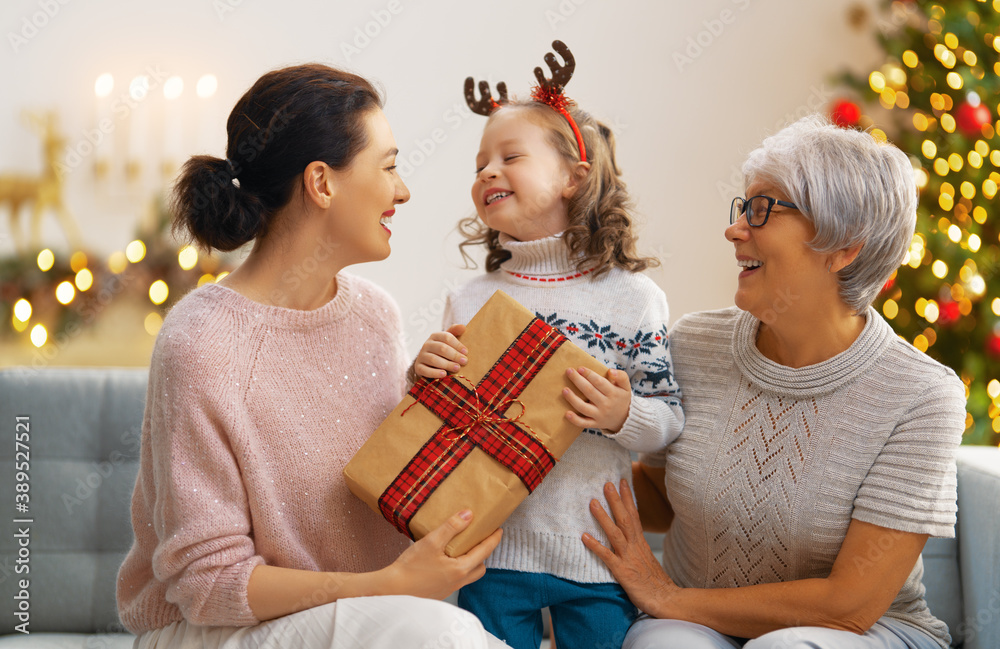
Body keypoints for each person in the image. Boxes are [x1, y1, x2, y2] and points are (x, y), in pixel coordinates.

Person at [116, 63, 505, 649]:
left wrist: (433, 403)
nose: (403, 190)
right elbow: (208, 584)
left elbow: (378, 492)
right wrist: (384, 586)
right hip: (212, 630)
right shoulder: (201, 343)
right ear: (321, 183)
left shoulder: (375, 315)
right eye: (390, 166)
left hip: (366, 616)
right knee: (443, 638)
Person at [584, 115, 967, 649]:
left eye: (763, 209)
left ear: (845, 245)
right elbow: (659, 495)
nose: (735, 228)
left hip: (862, 632)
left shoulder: (921, 395)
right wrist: (558, 446)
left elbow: (849, 606)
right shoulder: (695, 343)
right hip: (700, 619)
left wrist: (665, 596)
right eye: (743, 207)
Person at [415, 42, 685, 649]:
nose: (487, 171)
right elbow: (446, 422)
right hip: (491, 551)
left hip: (598, 554)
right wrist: (424, 376)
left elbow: (667, 422)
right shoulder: (470, 297)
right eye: (480, 162)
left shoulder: (633, 299)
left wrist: (623, 415)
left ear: (573, 175)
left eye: (510, 156)